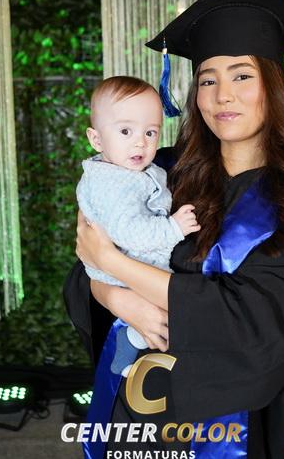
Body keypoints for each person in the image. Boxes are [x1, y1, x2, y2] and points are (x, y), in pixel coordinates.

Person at [64, 0, 284, 458]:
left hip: (229, 421)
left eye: (242, 76)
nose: (222, 95)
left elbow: (264, 324)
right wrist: (115, 296)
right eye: (208, 79)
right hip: (137, 405)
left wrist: (117, 265)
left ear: (272, 86)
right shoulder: (156, 172)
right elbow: (85, 264)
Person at [76, 76, 200, 377]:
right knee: (179, 317)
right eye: (125, 131)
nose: (140, 142)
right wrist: (173, 228)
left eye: (150, 132)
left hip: (121, 274)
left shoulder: (126, 168)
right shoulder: (115, 183)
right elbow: (129, 232)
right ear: (96, 140)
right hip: (130, 269)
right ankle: (129, 349)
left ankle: (129, 346)